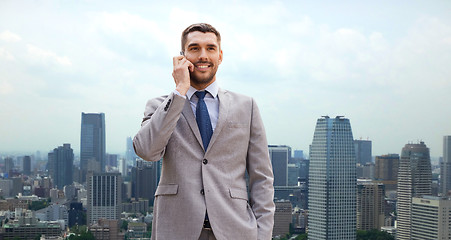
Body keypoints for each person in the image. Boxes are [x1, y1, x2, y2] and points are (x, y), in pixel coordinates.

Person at [133, 23, 275, 240]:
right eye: (194, 48)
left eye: (210, 48)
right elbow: (146, 151)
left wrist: (262, 235)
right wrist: (180, 90)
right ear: (182, 56)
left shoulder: (247, 106)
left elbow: (262, 178)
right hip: (176, 230)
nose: (202, 55)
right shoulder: (160, 106)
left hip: (236, 230)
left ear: (220, 56)